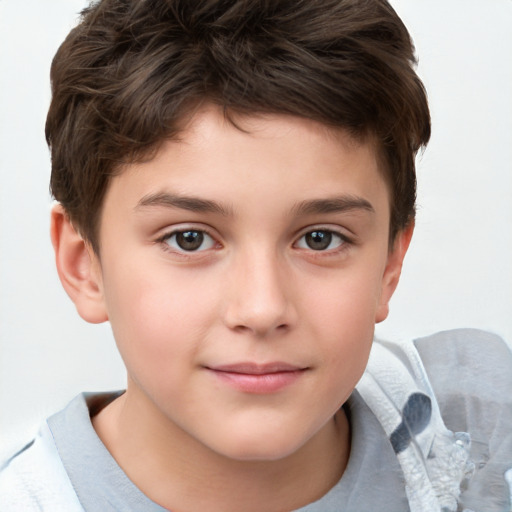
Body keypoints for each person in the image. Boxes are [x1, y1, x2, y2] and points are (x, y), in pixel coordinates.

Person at [1, 0, 511, 510]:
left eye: (320, 239)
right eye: (189, 239)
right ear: (83, 264)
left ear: (389, 263)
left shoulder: (481, 431)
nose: (262, 309)